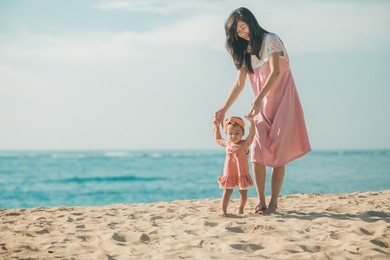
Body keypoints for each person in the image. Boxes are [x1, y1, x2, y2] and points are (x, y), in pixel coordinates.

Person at [214, 7, 311, 214]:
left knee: (278, 155)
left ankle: (274, 202)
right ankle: (261, 201)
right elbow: (239, 84)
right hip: (261, 107)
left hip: (284, 103)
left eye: (243, 27)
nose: (242, 33)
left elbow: (275, 72)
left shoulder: (271, 40)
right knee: (257, 153)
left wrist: (257, 99)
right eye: (237, 32)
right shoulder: (245, 52)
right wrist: (223, 108)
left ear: (251, 21)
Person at [214, 116, 255, 217]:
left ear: (242, 133)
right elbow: (218, 139)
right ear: (227, 134)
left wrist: (251, 122)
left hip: (242, 173)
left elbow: (252, 134)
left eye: (237, 133)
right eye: (230, 133)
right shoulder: (228, 143)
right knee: (227, 191)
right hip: (229, 173)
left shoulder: (245, 144)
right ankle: (223, 210)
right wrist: (216, 127)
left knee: (243, 193)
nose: (233, 136)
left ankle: (241, 209)